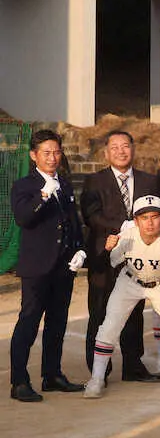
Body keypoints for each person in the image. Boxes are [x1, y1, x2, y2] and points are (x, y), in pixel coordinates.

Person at [9, 130, 87, 402]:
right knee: (28, 323)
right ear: (34, 156)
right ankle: (19, 381)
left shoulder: (64, 185)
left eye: (56, 152)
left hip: (63, 267)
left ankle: (52, 375)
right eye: (46, 153)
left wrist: (80, 249)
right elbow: (22, 218)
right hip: (36, 267)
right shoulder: (24, 186)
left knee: (57, 323)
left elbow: (73, 221)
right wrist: (42, 196)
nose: (53, 158)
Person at [84, 196, 160, 398]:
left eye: (154, 216)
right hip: (130, 281)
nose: (149, 222)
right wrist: (107, 249)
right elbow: (104, 265)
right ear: (136, 220)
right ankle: (96, 378)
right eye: (144, 217)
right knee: (109, 327)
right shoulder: (127, 236)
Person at [79, 130, 159, 383]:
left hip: (137, 256)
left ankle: (133, 366)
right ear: (106, 153)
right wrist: (124, 225)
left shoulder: (149, 181)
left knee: (134, 311)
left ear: (133, 149)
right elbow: (92, 215)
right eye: (115, 147)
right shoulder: (94, 181)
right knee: (100, 311)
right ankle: (99, 370)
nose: (121, 151)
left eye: (125, 146)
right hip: (104, 254)